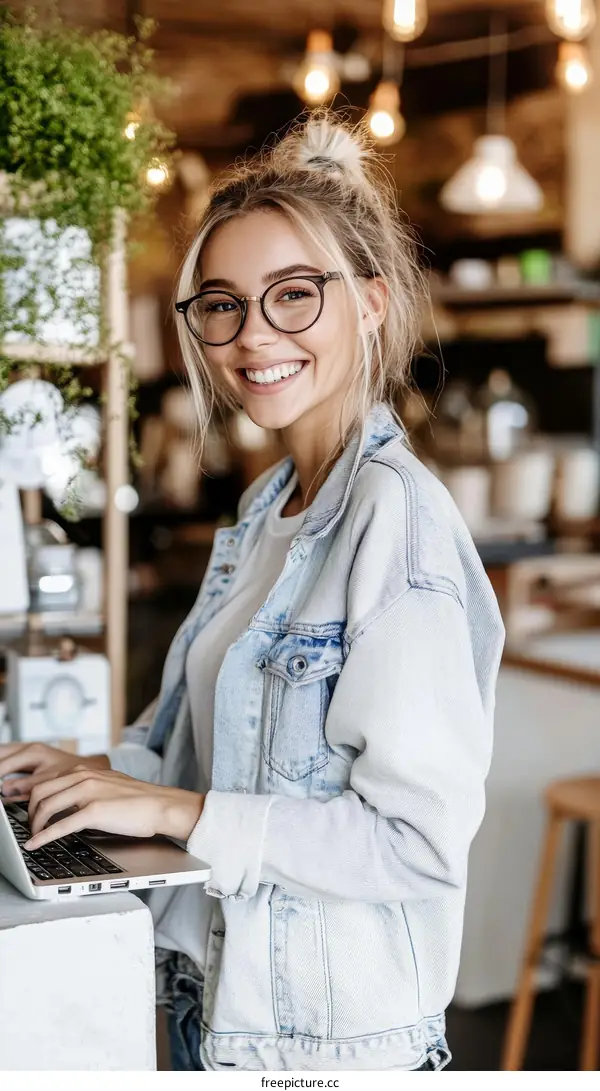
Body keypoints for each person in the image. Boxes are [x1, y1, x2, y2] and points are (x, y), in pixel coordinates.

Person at [0, 116, 504, 1072]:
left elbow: (413, 843)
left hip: (326, 1048)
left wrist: (170, 811)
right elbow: (203, 746)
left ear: (370, 302)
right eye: (223, 304)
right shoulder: (270, 504)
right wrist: (76, 768)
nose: (252, 336)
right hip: (214, 1000)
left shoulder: (396, 522)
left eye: (293, 296)